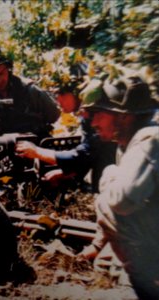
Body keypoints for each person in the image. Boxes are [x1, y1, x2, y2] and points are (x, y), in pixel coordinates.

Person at [77, 75, 159, 299]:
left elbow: (122, 201)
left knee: (108, 196)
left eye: (98, 115)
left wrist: (107, 176)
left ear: (124, 117)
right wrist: (97, 245)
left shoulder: (149, 140)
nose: (93, 123)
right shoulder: (128, 141)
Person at [15, 100, 117, 194]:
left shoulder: (97, 125)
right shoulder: (88, 120)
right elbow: (88, 157)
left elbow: (80, 156)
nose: (58, 100)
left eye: (62, 93)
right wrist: (65, 173)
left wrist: (36, 152)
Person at [0, 45, 60, 140]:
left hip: (32, 142)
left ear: (8, 69)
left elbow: (54, 115)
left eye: (1, 73)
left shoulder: (29, 89)